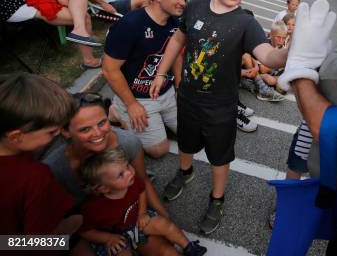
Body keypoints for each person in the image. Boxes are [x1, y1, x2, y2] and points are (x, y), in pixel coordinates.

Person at [148, 0, 288, 234]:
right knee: (186, 142)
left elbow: (268, 56)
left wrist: (290, 51)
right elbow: (177, 39)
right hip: (187, 96)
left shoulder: (245, 22)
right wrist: (161, 73)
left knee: (219, 156)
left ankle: (217, 198)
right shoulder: (194, 7)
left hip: (221, 106)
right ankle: (185, 172)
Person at [42, 92, 178, 255]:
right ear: (65, 132)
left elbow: (143, 181)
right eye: (85, 129)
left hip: (129, 215)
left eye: (102, 123)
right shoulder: (53, 170)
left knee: (167, 252)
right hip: (88, 230)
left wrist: (165, 217)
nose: (98, 133)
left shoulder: (127, 142)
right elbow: (51, 228)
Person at [102, 0, 186, 158]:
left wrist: (179, 87)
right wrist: (131, 104)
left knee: (192, 135)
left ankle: (155, 119)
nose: (183, 3)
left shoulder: (175, 22)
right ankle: (117, 111)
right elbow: (109, 70)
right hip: (138, 98)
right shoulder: (129, 24)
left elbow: (176, 56)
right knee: (159, 151)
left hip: (166, 91)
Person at [79, 149, 207, 256]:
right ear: (104, 188)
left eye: (127, 165)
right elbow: (85, 231)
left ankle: (189, 247)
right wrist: (108, 238)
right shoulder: (95, 208)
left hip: (137, 221)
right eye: (120, 174)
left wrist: (142, 212)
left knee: (165, 228)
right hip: (114, 236)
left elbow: (142, 192)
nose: (130, 172)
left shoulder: (133, 181)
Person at [0, 73, 82, 235]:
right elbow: (39, 244)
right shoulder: (34, 177)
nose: (60, 133)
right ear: (16, 136)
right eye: (52, 132)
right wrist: (75, 225)